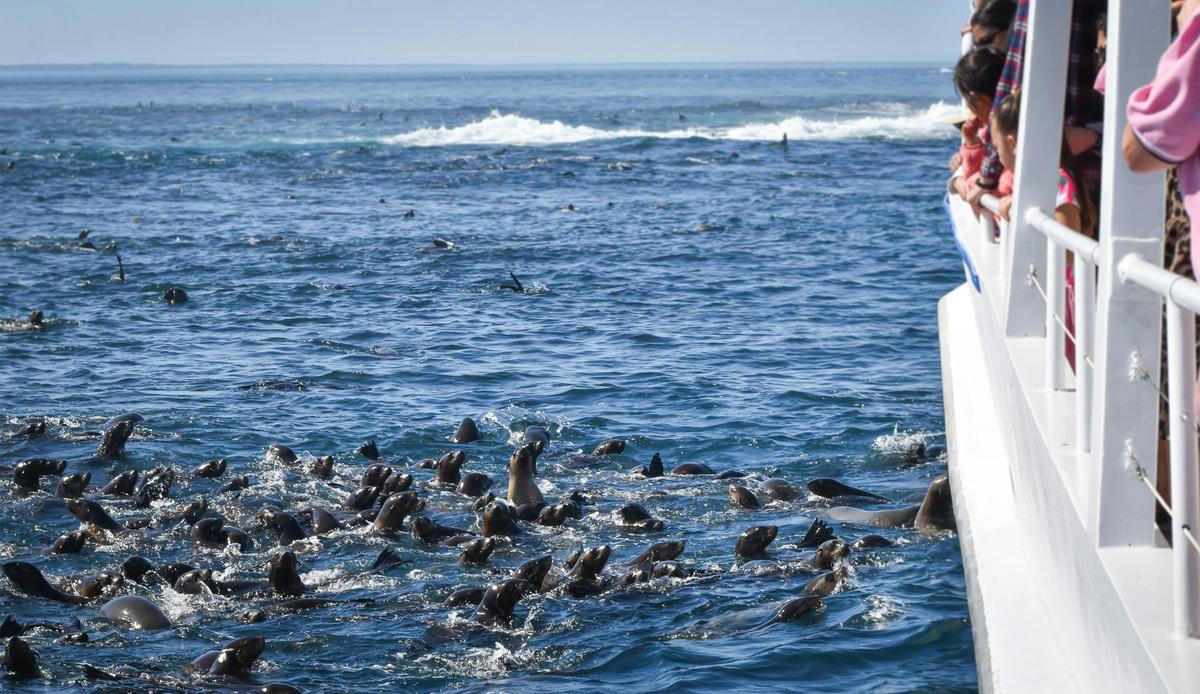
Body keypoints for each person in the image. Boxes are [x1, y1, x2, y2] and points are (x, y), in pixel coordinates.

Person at [993, 87, 1097, 370]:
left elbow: (1068, 244)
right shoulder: (1045, 180)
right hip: (1055, 290)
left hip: (1066, 294)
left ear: (1012, 142)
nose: (996, 153)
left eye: (996, 146)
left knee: (1078, 366)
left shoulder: (1058, 179)